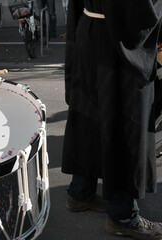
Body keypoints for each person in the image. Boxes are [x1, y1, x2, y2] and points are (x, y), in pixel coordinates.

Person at [62, 0, 162, 239]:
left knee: (90, 116)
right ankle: (123, 215)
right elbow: (137, 8)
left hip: (89, 29)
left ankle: (81, 191)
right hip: (121, 42)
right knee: (126, 123)